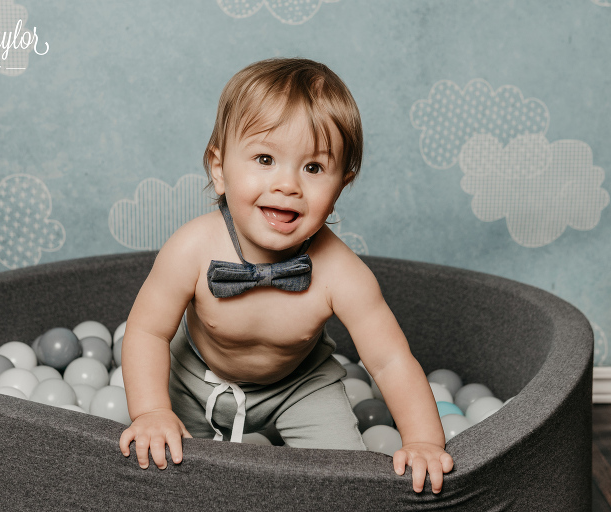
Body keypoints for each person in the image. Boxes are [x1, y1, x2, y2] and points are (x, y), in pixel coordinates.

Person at [119, 57, 454, 494]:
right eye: (264, 158)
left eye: (313, 168)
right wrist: (150, 412)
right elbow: (146, 331)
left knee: (346, 484)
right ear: (219, 169)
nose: (288, 185)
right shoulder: (192, 249)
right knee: (170, 476)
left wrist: (424, 441)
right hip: (194, 380)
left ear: (339, 188)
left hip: (301, 387)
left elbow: (391, 362)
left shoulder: (342, 273)